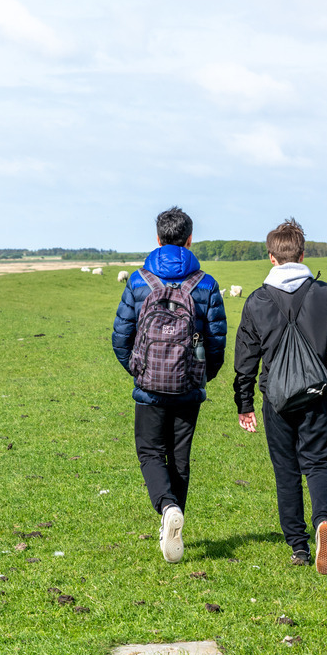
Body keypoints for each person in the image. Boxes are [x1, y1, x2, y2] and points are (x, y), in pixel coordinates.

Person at [234, 219, 327, 574]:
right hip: (317, 395)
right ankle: (323, 520)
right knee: (318, 463)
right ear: (302, 254)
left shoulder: (257, 299)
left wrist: (244, 402)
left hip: (277, 400)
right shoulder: (324, 293)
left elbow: (245, 356)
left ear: (271, 257)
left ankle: (299, 548)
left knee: (286, 471)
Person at [112, 206, 227, 564]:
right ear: (190, 239)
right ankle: (173, 521)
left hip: (148, 387)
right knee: (179, 457)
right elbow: (217, 340)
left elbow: (121, 336)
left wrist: (138, 368)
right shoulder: (205, 283)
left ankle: (167, 508)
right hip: (188, 386)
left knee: (149, 452)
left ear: (158, 239)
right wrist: (200, 374)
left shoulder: (137, 281)